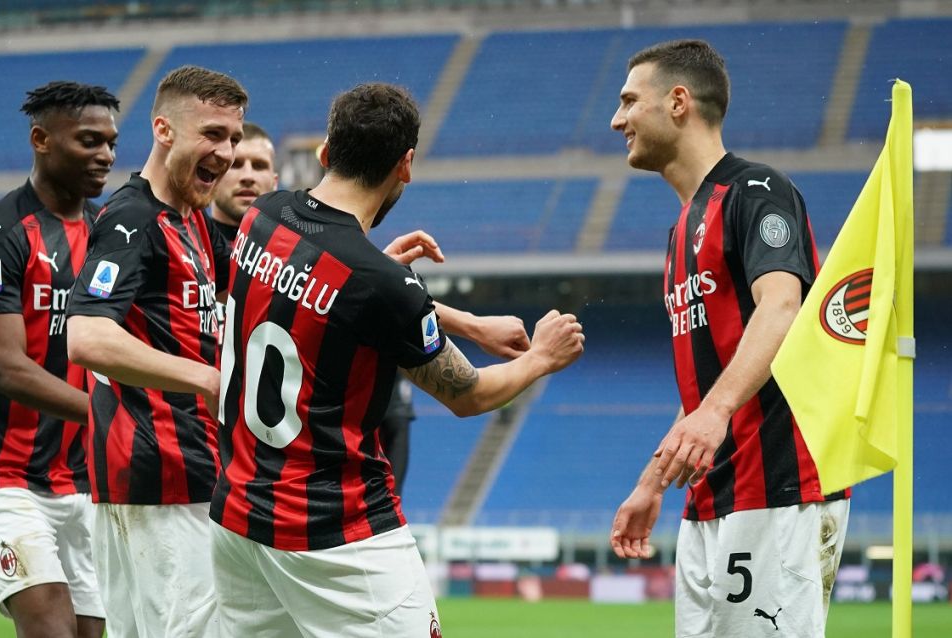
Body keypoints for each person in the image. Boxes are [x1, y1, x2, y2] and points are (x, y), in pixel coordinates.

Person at [208, 82, 584, 636]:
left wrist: (461, 318)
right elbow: (468, 394)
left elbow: (326, 290)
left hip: (238, 518)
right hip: (337, 537)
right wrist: (542, 359)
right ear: (405, 165)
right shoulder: (381, 285)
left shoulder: (262, 217)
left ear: (325, 153)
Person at [607, 40, 849, 637]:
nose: (617, 120)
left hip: (774, 487)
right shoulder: (680, 231)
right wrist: (652, 481)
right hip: (712, 495)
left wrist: (714, 413)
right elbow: (706, 383)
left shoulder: (756, 191)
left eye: (630, 101)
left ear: (679, 101)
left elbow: (783, 306)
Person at [65, 64, 247, 637]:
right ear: (164, 130)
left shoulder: (192, 222)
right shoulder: (133, 218)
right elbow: (87, 335)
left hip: (176, 477)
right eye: (213, 134)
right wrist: (207, 379)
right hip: (161, 475)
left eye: (235, 139)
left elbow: (270, 287)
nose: (227, 152)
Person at [0, 81, 117, 638]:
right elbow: (7, 368)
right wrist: (113, 417)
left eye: (112, 143)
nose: (106, 156)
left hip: (82, 478)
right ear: (41, 139)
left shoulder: (107, 234)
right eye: (89, 141)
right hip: (3, 474)